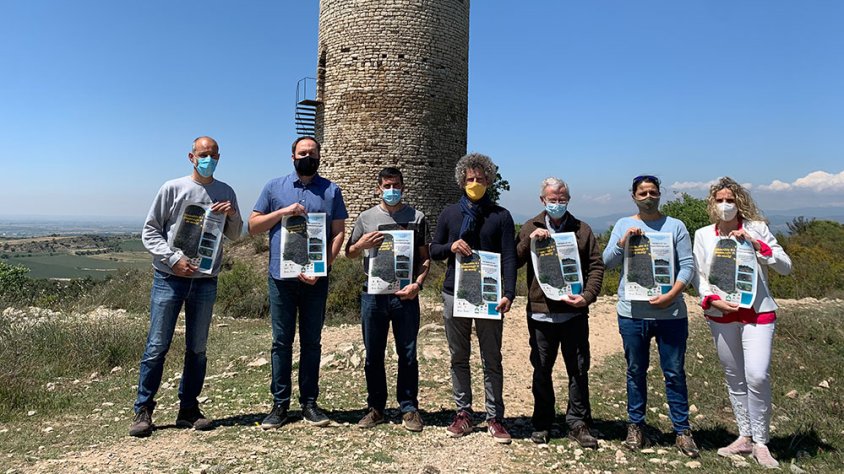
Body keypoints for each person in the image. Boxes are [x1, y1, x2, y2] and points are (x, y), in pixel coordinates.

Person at [129, 136, 243, 437]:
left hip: (205, 280)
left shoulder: (226, 191)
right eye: (204, 154)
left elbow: (235, 234)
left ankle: (188, 409)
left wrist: (232, 214)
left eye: (214, 154)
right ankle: (143, 410)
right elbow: (150, 231)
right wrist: (173, 258)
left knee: (198, 349)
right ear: (192, 157)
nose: (209, 159)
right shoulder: (172, 188)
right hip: (169, 278)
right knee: (157, 346)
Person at [692, 177, 791, 468]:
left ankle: (762, 441)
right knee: (734, 376)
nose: (725, 205)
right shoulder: (703, 235)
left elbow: (786, 267)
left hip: (757, 312)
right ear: (712, 203)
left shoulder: (757, 228)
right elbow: (700, 276)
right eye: (720, 200)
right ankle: (744, 436)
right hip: (722, 314)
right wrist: (711, 300)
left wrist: (757, 245)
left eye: (730, 200)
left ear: (740, 202)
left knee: (757, 375)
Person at [248, 136, 348, 429]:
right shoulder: (273, 187)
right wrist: (281, 213)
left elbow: (338, 232)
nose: (308, 157)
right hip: (281, 278)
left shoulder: (331, 190)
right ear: (293, 156)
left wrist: (323, 266)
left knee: (312, 342)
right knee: (281, 342)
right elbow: (253, 226)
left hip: (315, 279)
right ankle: (279, 405)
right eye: (303, 153)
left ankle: (309, 403)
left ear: (320, 156)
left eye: (313, 153)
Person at [602, 175, 700, 458]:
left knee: (674, 372)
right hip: (632, 312)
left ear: (660, 195)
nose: (648, 197)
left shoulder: (675, 226)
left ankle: (682, 430)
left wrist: (673, 294)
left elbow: (687, 265)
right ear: (633, 196)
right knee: (635, 371)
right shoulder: (623, 224)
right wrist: (622, 243)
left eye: (653, 192)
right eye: (642, 193)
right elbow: (608, 262)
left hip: (671, 312)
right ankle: (636, 426)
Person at [430, 153, 517, 444]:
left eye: (480, 179)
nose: (475, 183)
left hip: (490, 297)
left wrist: (508, 293)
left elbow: (508, 258)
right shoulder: (449, 214)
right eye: (470, 179)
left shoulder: (501, 216)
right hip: (455, 294)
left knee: (492, 358)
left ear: (489, 180)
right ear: (462, 182)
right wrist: (450, 246)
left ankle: (494, 417)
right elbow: (433, 250)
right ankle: (463, 413)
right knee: (459, 357)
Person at [515, 177, 604, 447]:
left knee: (577, 368)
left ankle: (578, 422)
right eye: (552, 199)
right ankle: (542, 422)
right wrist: (529, 242)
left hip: (574, 313)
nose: (557, 203)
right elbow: (515, 260)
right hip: (541, 313)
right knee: (541, 368)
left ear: (568, 199)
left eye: (561, 198)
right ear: (543, 200)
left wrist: (587, 297)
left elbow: (596, 266)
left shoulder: (582, 229)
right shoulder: (531, 226)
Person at [345, 167, 431, 432]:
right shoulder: (366, 218)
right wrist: (361, 246)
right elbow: (349, 252)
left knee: (407, 354)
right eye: (386, 185)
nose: (391, 190)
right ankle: (376, 408)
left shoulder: (417, 217)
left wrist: (417, 284)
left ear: (403, 187)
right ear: (378, 188)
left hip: (405, 296)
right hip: (373, 295)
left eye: (396, 185)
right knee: (373, 355)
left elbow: (425, 258)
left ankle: (409, 408)